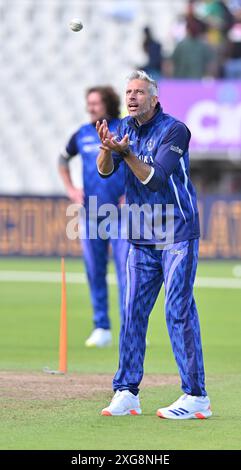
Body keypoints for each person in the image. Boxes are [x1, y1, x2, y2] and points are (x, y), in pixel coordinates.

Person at [96, 70, 212, 419]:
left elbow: (155, 178)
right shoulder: (125, 130)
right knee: (132, 312)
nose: (131, 97)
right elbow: (105, 172)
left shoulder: (175, 130)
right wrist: (107, 148)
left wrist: (126, 154)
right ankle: (126, 391)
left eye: (139, 92)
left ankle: (196, 397)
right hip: (141, 238)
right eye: (128, 92)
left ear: (154, 99)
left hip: (177, 233)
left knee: (177, 310)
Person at [59, 86, 129, 348]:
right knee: (94, 271)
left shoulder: (124, 128)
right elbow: (62, 159)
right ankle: (102, 327)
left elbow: (141, 159)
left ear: (108, 104)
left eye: (95, 103)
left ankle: (129, 328)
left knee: (126, 272)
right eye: (88, 103)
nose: (90, 107)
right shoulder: (82, 134)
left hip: (123, 215)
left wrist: (134, 193)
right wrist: (71, 189)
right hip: (91, 214)